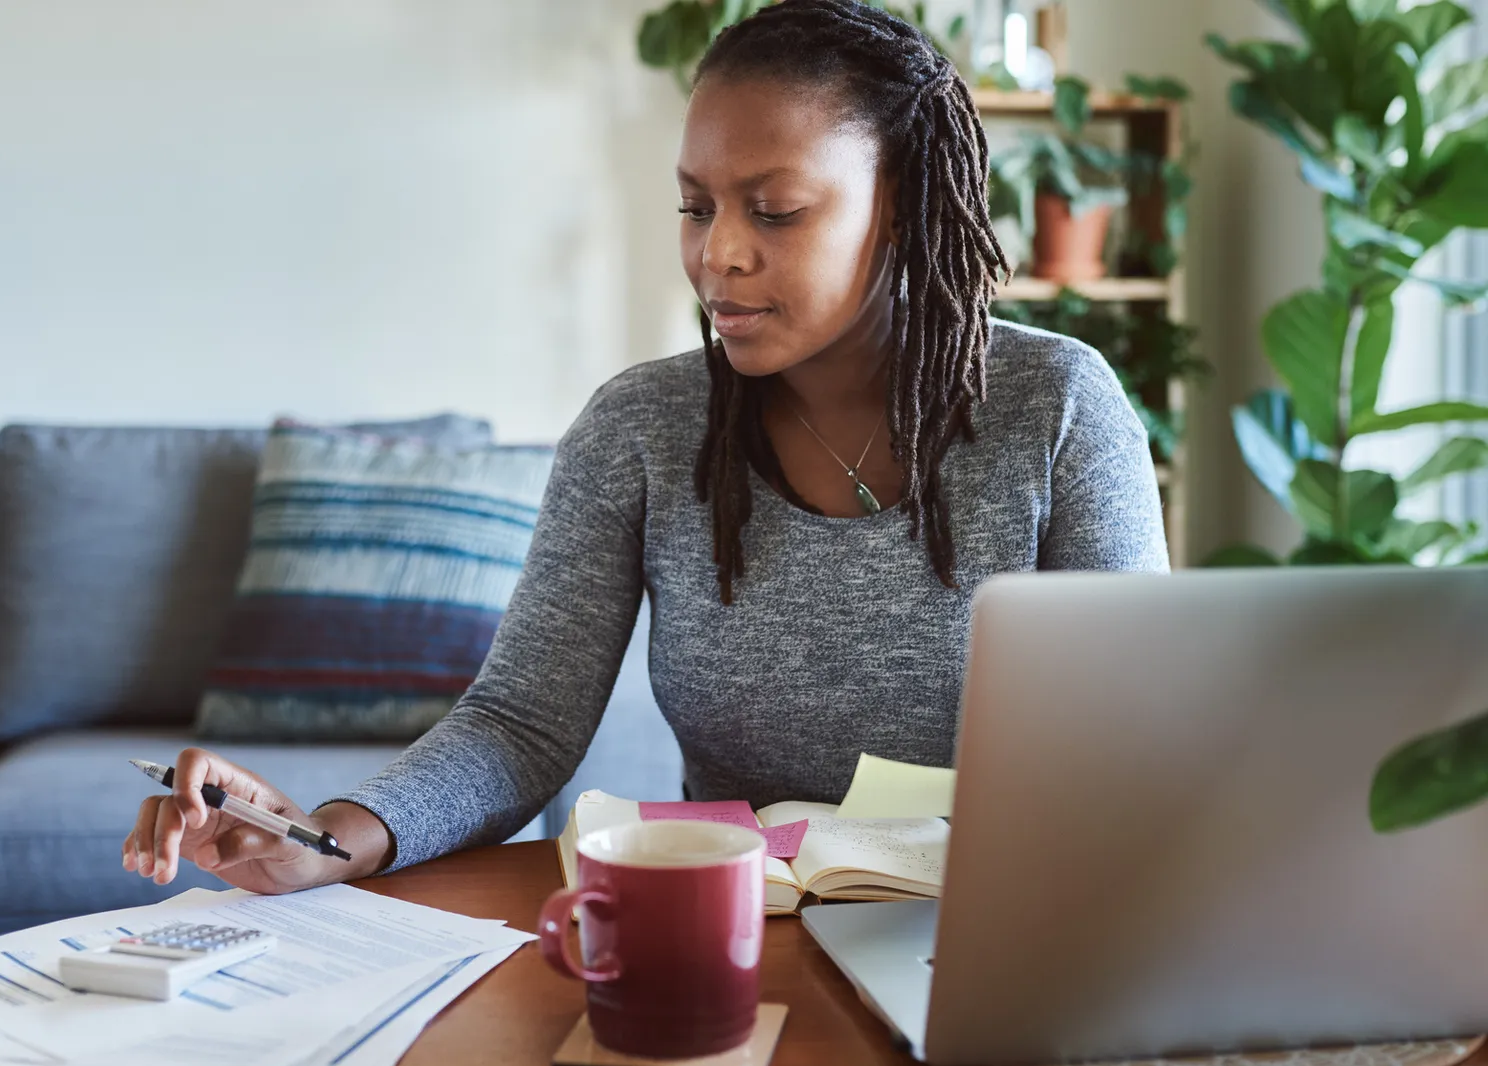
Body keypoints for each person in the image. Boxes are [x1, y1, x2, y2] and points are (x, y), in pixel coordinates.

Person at [122, 0, 1168, 896]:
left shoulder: (1059, 408)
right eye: (695, 204)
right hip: (743, 932)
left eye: (776, 210)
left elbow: (1138, 744)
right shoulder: (640, 430)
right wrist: (323, 842)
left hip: (1008, 925)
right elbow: (519, 725)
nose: (717, 252)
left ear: (903, 209)